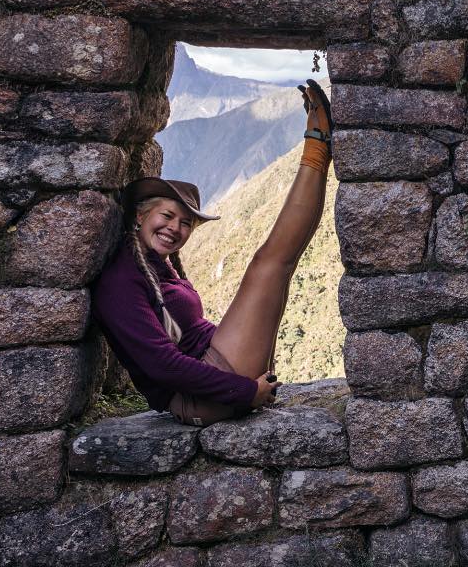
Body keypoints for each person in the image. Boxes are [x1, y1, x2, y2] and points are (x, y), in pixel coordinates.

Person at [92, 79, 333, 426]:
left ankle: (319, 152)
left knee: (279, 266)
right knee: (269, 265)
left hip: (218, 370)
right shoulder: (120, 282)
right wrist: (244, 391)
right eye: (167, 216)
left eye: (186, 223)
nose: (175, 228)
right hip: (200, 397)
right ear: (141, 216)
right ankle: (317, 151)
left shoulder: (156, 267)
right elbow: (162, 365)